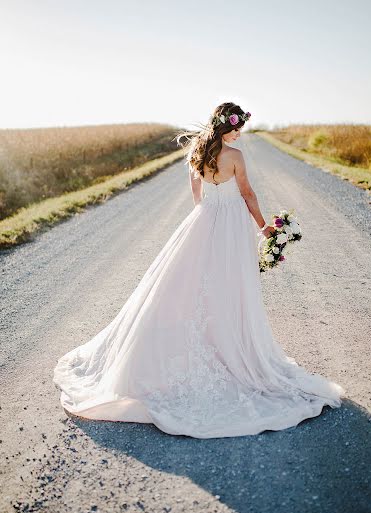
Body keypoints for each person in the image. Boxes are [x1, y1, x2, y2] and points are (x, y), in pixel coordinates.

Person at [53, 102, 346, 439]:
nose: (238, 134)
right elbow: (248, 193)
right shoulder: (234, 155)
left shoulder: (196, 152)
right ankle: (225, 342)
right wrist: (264, 227)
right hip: (232, 224)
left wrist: (209, 219)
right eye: (236, 128)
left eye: (240, 129)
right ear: (224, 126)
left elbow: (197, 196)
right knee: (228, 286)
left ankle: (205, 339)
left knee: (190, 284)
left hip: (204, 221)